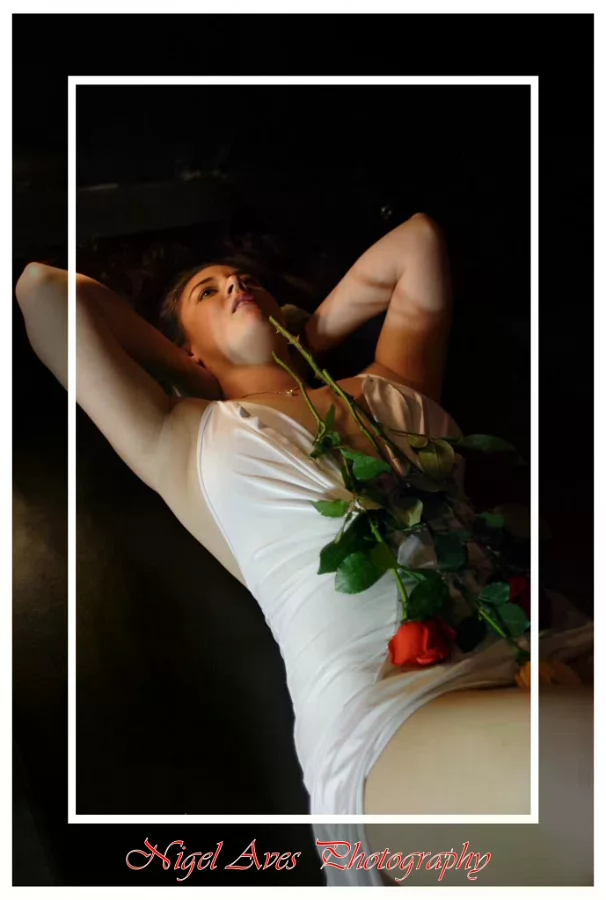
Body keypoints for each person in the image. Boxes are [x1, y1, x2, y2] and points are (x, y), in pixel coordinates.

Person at [16, 213, 593, 886]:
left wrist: (303, 334)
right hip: (396, 717)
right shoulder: (183, 436)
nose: (236, 286)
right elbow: (42, 291)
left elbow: (419, 242)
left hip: (549, 643)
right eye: (209, 292)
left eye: (246, 280)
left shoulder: (392, 385)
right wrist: (193, 373)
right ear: (187, 350)